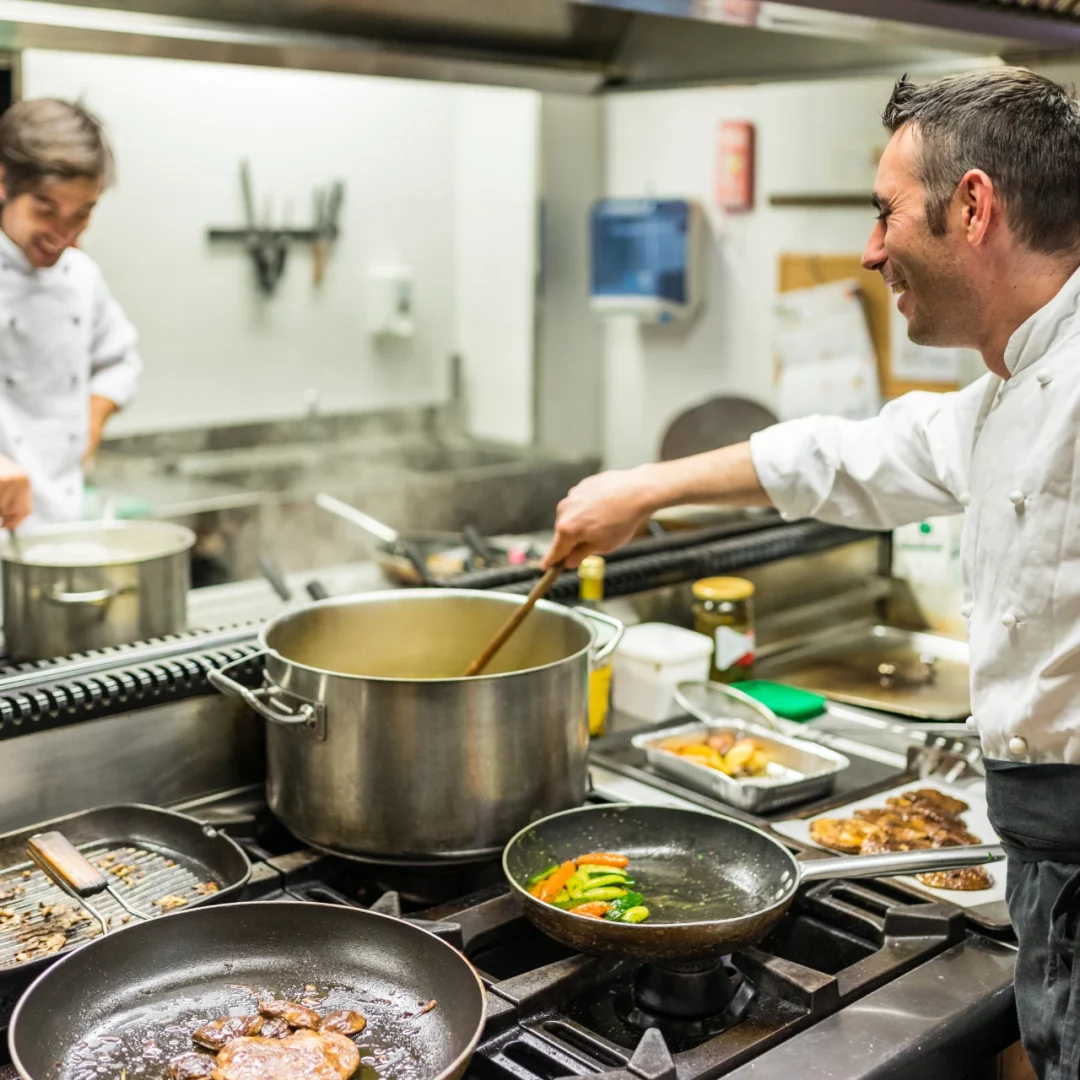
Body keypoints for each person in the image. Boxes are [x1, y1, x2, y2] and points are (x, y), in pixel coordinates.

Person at [544, 68, 1080, 1079]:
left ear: (973, 208)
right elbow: (855, 454)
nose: (872, 250)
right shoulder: (1013, 389)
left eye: (884, 214)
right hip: (1046, 858)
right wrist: (647, 488)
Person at [0, 98, 141, 530]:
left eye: (81, 215)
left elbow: (120, 361)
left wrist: (89, 424)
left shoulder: (81, 276)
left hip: (62, 519)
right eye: (46, 209)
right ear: (2, 182)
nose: (63, 234)